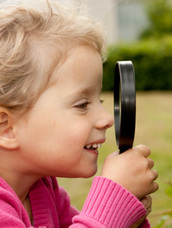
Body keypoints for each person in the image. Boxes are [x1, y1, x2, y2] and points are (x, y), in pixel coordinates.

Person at [0, 0, 159, 227]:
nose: (106, 119)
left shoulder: (42, 190)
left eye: (100, 100)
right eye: (82, 105)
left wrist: (125, 215)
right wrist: (114, 201)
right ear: (5, 127)